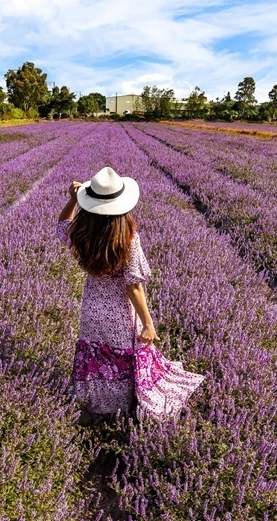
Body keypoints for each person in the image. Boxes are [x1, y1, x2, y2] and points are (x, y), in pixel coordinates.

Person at [56, 166, 157, 423]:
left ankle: (95, 407)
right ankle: (121, 411)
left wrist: (72, 199)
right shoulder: (127, 238)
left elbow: (61, 225)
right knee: (120, 359)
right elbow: (133, 285)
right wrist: (147, 323)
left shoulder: (82, 233)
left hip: (91, 308)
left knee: (96, 359)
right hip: (119, 312)